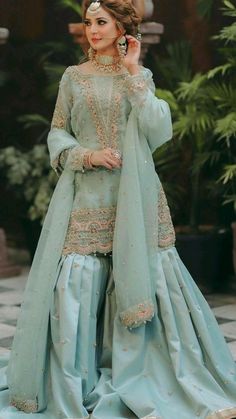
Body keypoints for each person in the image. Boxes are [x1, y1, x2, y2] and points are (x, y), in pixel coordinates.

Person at [0, 0, 236, 418]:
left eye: (101, 22)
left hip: (135, 195)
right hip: (85, 194)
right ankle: (74, 378)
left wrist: (133, 71)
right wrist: (86, 156)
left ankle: (150, 371)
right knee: (74, 283)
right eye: (89, 22)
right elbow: (57, 132)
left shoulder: (138, 77)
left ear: (121, 28)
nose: (92, 29)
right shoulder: (73, 78)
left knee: (147, 274)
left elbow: (159, 130)